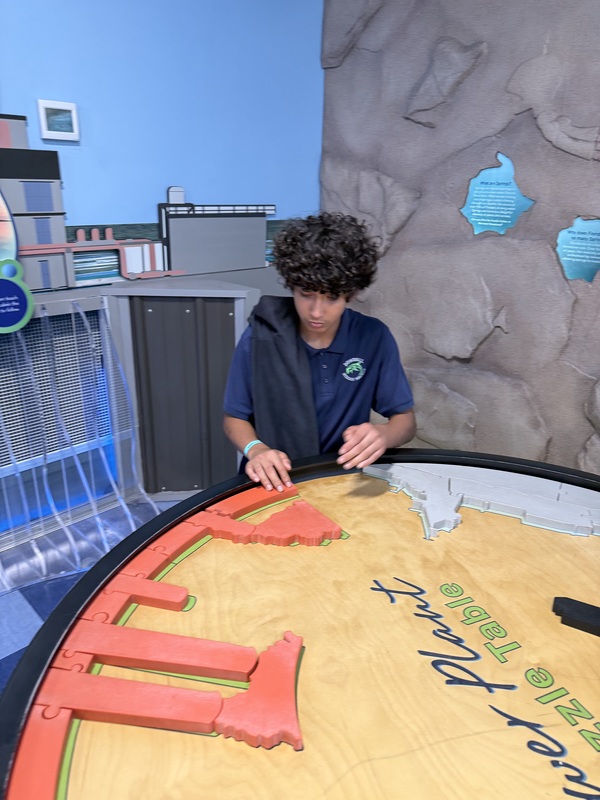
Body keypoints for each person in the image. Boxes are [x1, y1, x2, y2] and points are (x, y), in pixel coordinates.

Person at [223, 211, 416, 492]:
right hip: (272, 481)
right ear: (291, 284)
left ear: (350, 292)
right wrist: (255, 449)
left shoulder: (374, 337)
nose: (316, 312)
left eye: (332, 297)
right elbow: (234, 417)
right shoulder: (260, 336)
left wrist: (384, 434)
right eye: (306, 294)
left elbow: (406, 422)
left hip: (341, 480)